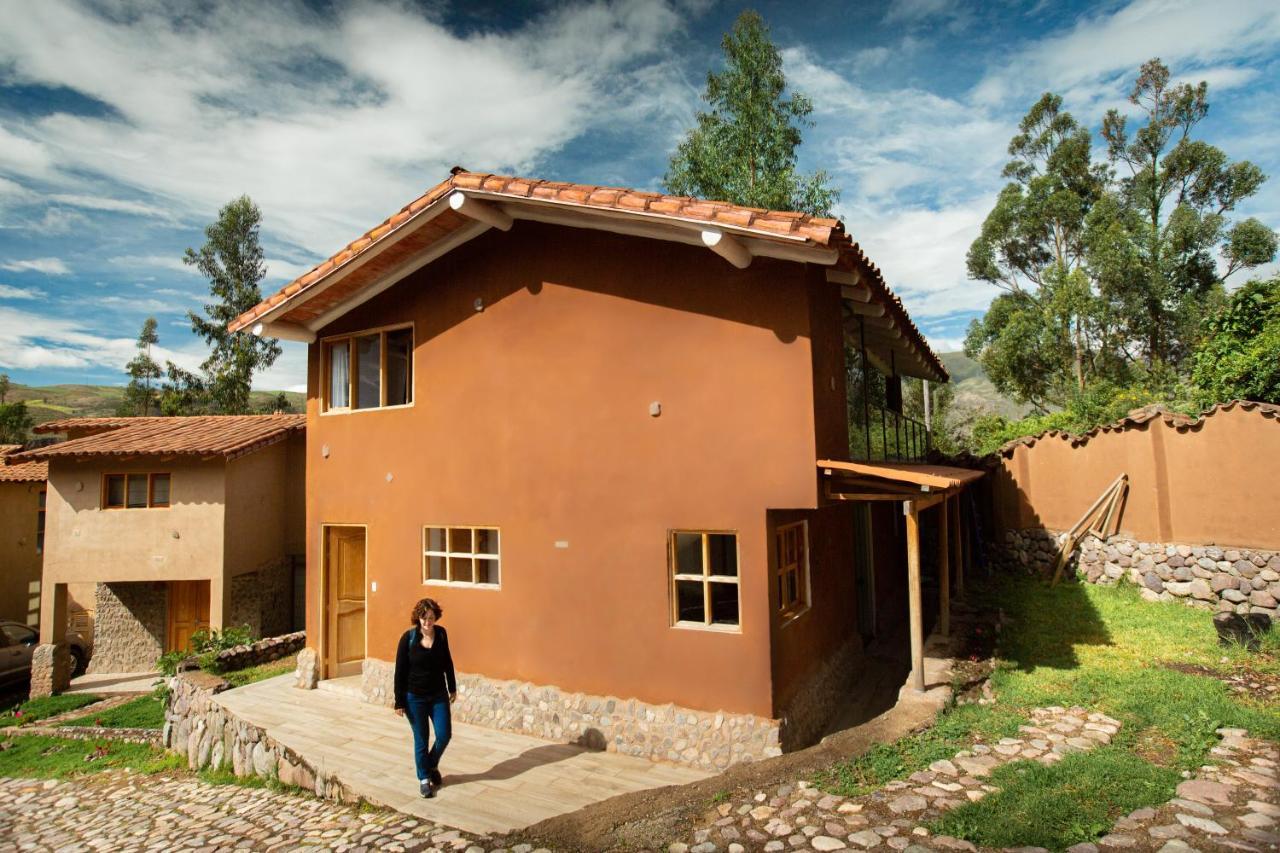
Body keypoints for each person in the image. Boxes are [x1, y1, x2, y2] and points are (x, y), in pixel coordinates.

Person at [393, 597, 457, 798]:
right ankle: (424, 779)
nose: (427, 622)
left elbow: (447, 661)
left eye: (431, 617)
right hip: (415, 698)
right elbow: (400, 671)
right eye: (424, 618)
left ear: (436, 617)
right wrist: (399, 701)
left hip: (438, 695)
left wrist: (452, 687)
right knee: (421, 739)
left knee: (444, 734)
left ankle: (431, 764)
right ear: (418, 618)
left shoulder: (442, 634)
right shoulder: (408, 639)